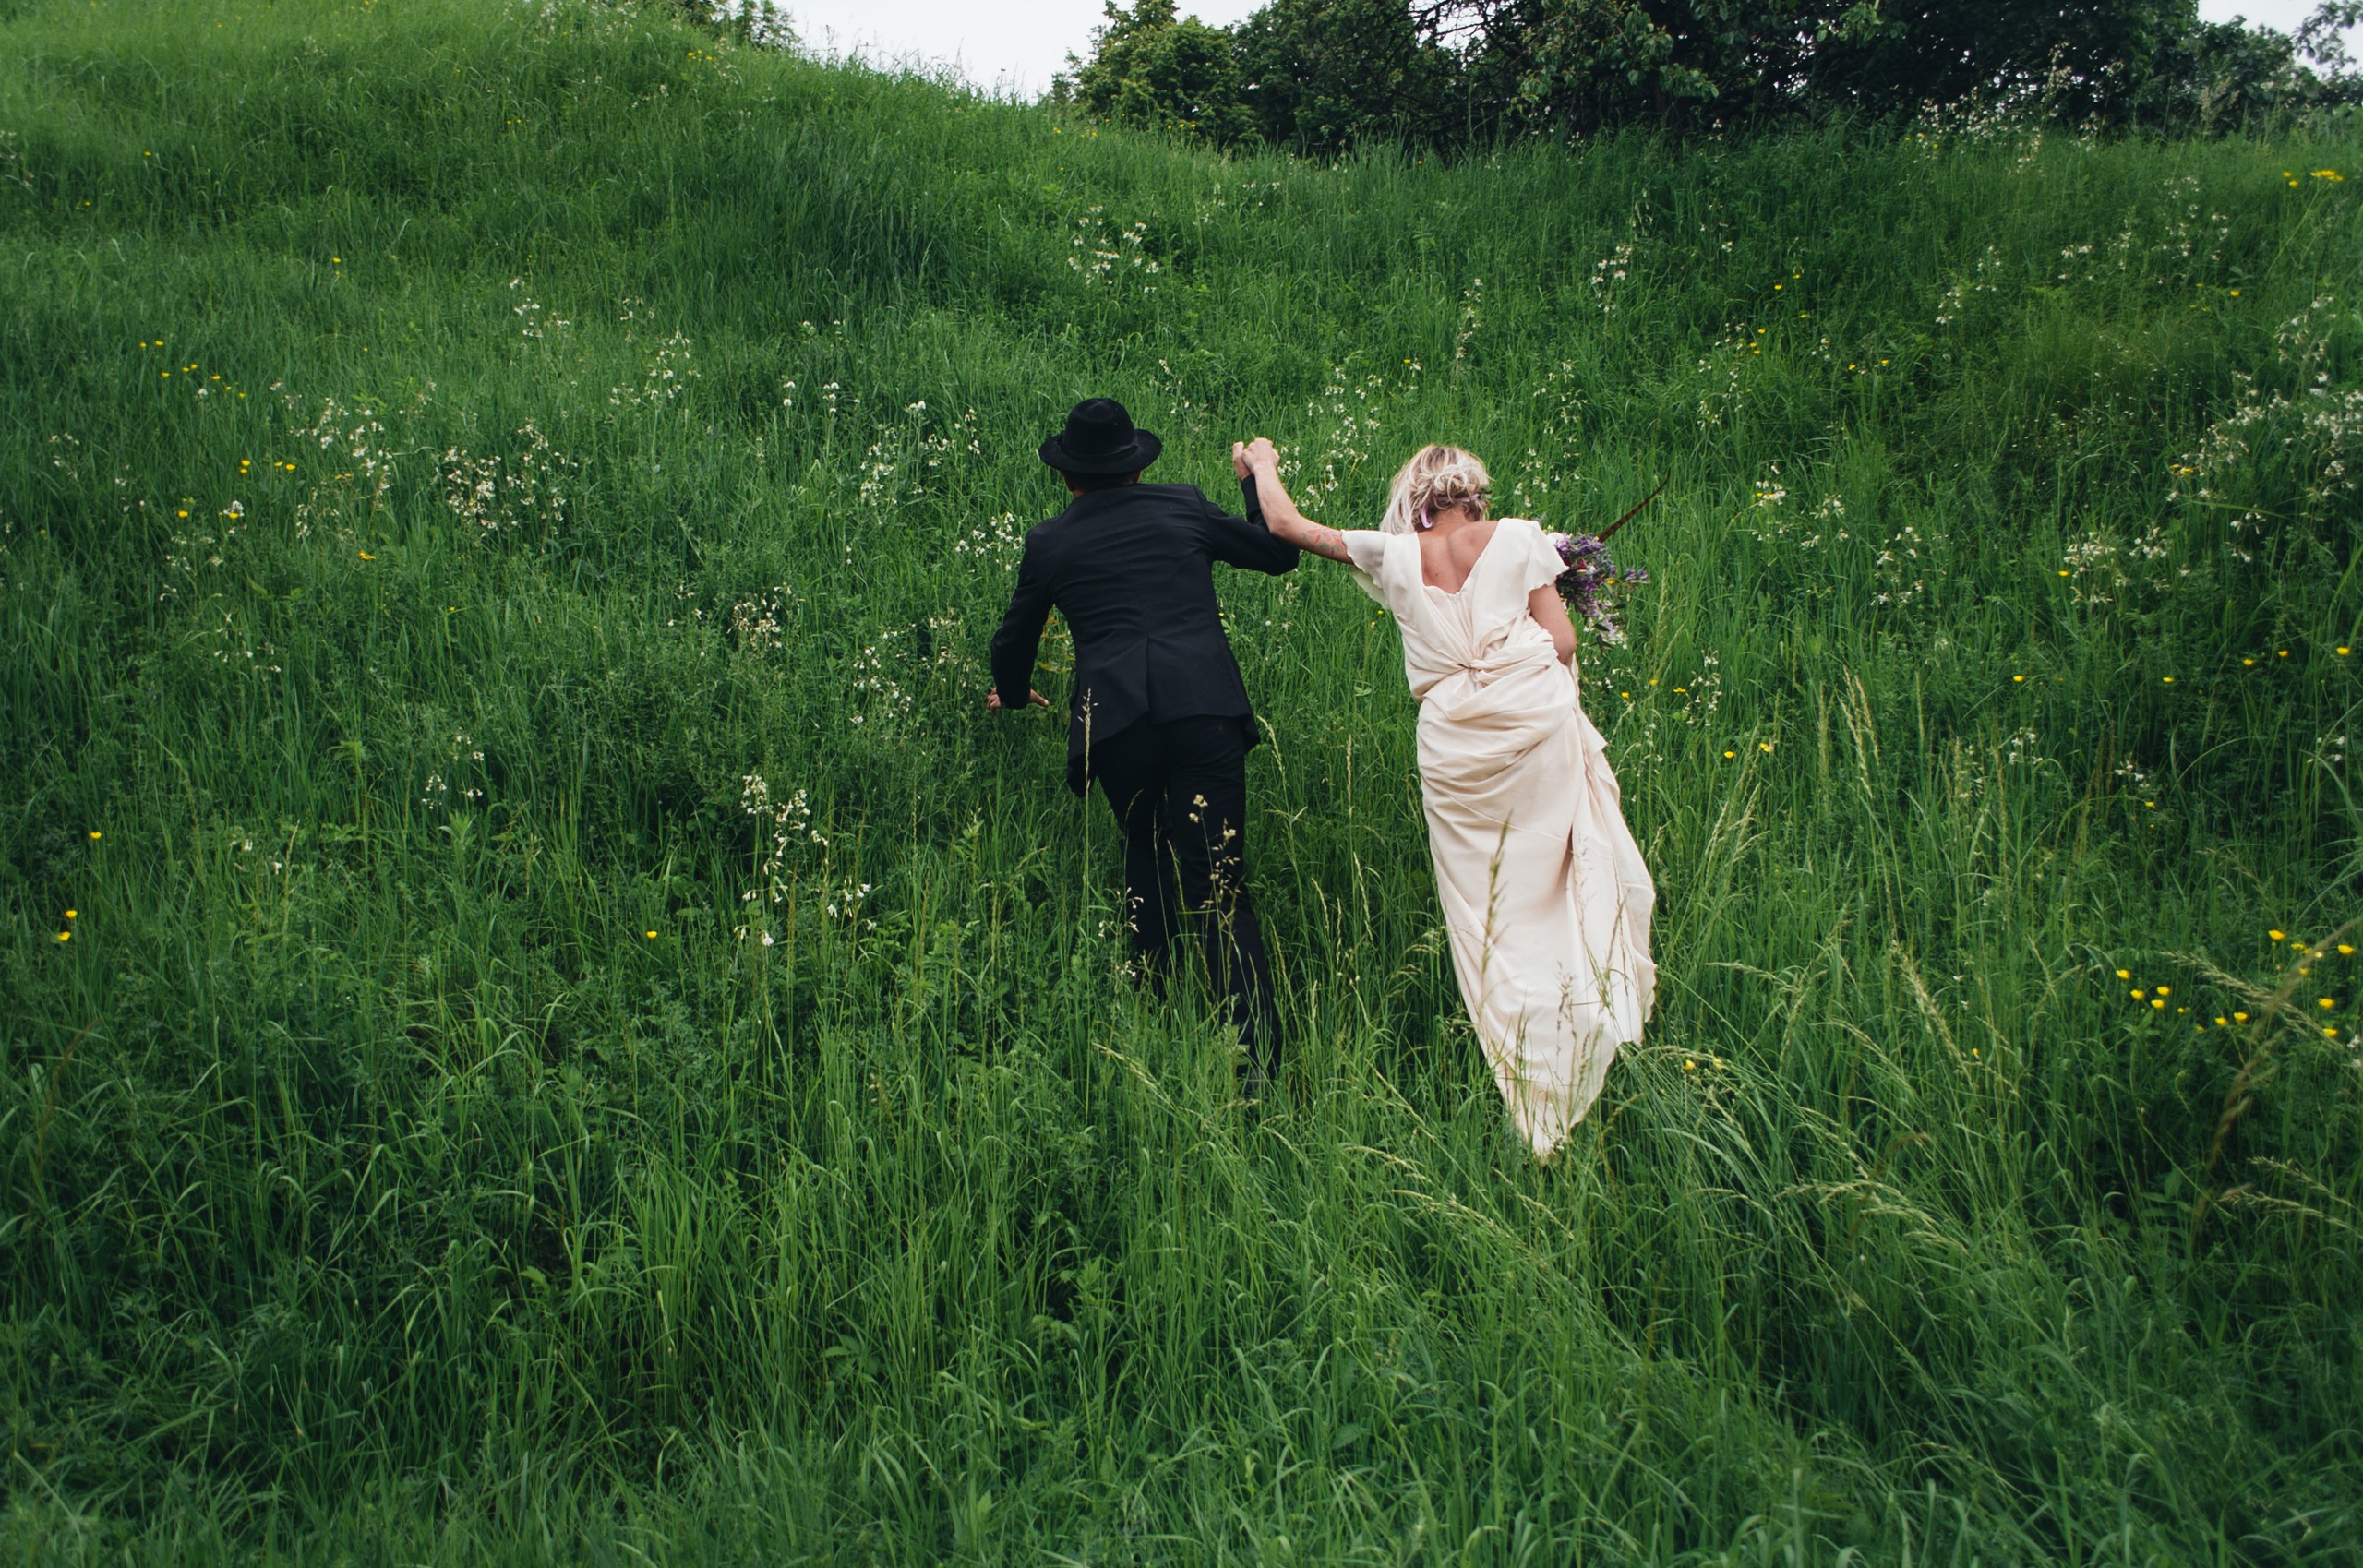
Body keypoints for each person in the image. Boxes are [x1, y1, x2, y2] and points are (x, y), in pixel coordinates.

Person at [1232, 437, 1655, 1156]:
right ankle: (1590, 1008)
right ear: (1470, 497)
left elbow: (1285, 526)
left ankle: (1527, 1063)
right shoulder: (1521, 540)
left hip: (1456, 754)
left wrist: (1262, 466)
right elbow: (1561, 642)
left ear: (1417, 504)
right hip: (1533, 731)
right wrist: (1506, 662)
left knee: (1489, 914)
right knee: (1556, 881)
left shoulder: (1395, 556)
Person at [989, 399, 1301, 1095]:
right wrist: (1255, 477)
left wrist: (1011, 693)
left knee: (1144, 843)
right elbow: (1280, 553)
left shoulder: (1051, 542)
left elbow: (1013, 640)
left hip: (1119, 722)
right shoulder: (1183, 505)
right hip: (1204, 710)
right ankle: (1260, 1076)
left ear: (1068, 478)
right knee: (1221, 888)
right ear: (1135, 468)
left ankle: (1155, 1010)